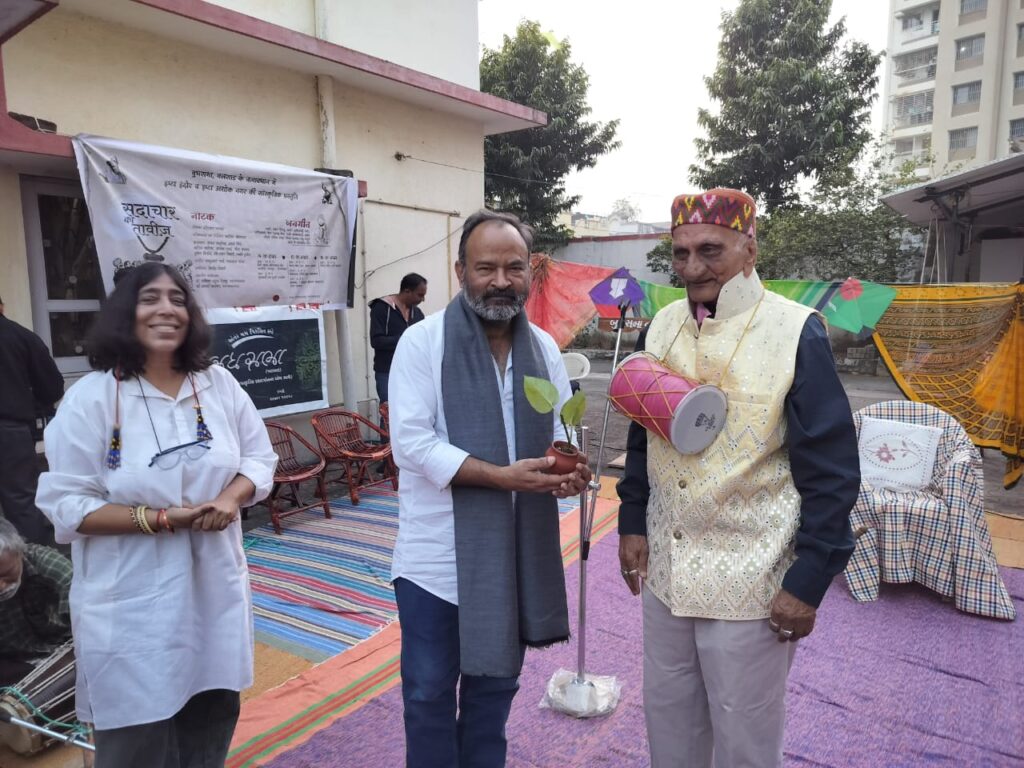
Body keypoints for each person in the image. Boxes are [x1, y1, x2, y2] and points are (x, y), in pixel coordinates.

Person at [616, 188, 860, 768]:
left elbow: (832, 469)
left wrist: (808, 580)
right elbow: (640, 430)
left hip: (753, 578)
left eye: (710, 250)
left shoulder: (796, 330)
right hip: (667, 574)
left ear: (749, 249)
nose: (692, 268)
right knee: (668, 721)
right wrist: (630, 519)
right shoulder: (665, 326)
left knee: (745, 739)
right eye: (679, 253)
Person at [35, 263, 278, 768]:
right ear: (125, 313)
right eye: (150, 299)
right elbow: (67, 503)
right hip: (130, 605)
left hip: (213, 588)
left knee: (210, 719)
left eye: (178, 298)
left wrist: (231, 498)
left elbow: (259, 457)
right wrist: (164, 519)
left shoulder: (218, 385)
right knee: (135, 742)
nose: (167, 309)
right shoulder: (92, 399)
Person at [388, 210, 591, 768]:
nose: (500, 281)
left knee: (493, 692)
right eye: (485, 267)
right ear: (460, 271)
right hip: (435, 563)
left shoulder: (544, 349)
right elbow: (409, 444)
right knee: (428, 694)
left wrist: (567, 472)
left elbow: (557, 437)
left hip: (512, 556)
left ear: (531, 273)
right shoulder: (422, 344)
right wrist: (500, 477)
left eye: (513, 267)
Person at [0, 295, 64, 545]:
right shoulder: (22, 337)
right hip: (11, 432)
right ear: (2, 307)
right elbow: (52, 387)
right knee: (22, 505)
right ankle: (33, 573)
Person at [0, 519, 72, 686]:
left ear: (20, 552)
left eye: (7, 574)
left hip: (61, 657)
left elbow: (89, 633)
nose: (1, 586)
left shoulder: (55, 571)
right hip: (9, 662)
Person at [369, 272, 427, 404]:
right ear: (407, 291)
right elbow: (376, 341)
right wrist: (405, 339)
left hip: (412, 371)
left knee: (410, 411)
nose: (423, 299)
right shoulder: (381, 308)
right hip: (387, 372)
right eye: (420, 295)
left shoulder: (417, 313)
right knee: (389, 413)